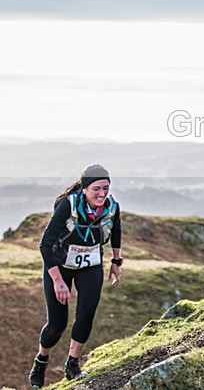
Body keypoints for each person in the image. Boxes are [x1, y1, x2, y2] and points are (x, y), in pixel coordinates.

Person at [29, 164, 122, 388]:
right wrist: (58, 282)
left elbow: (116, 230)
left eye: (106, 188)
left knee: (86, 314)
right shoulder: (67, 205)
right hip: (60, 264)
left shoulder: (112, 207)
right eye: (96, 189)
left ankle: (72, 364)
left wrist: (116, 262)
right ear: (84, 188)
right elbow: (45, 244)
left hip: (90, 264)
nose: (102, 194)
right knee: (57, 324)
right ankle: (41, 360)